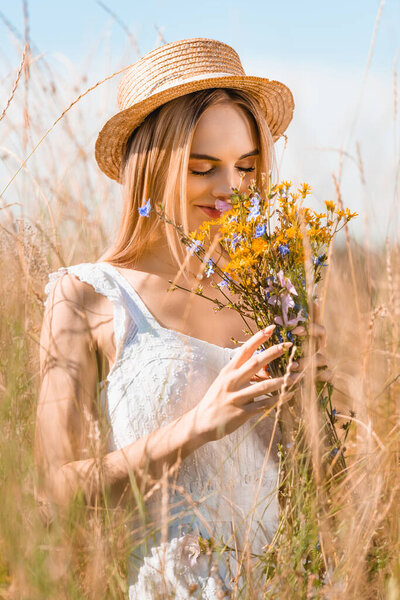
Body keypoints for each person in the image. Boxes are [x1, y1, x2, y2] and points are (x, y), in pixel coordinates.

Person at [35, 38, 329, 599]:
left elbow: (316, 483)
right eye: (202, 168)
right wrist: (198, 425)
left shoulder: (272, 288)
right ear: (153, 168)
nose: (231, 189)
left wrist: (316, 396)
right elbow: (55, 491)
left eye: (246, 165)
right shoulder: (87, 295)